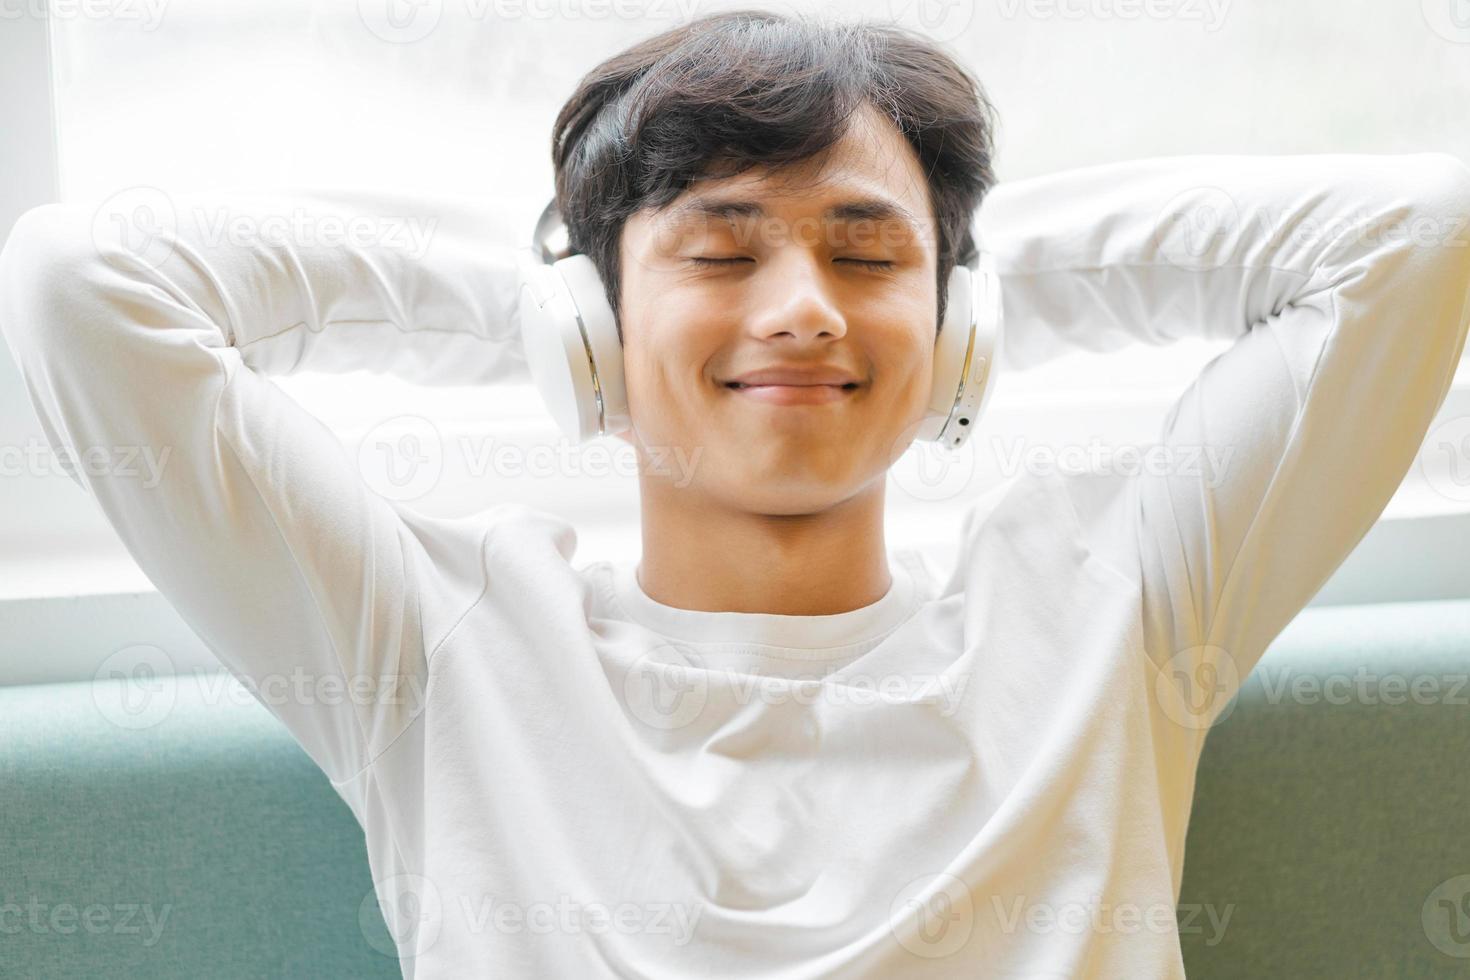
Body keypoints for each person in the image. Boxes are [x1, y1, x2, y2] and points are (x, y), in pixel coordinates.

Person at [2, 10, 1468, 979]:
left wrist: (970, 303)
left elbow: (1415, 239)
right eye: (720, 252)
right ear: (583, 319)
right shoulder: (440, 652)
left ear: (958, 318)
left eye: (862, 253)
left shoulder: (1118, 603)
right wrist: (569, 314)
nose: (800, 309)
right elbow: (86, 285)